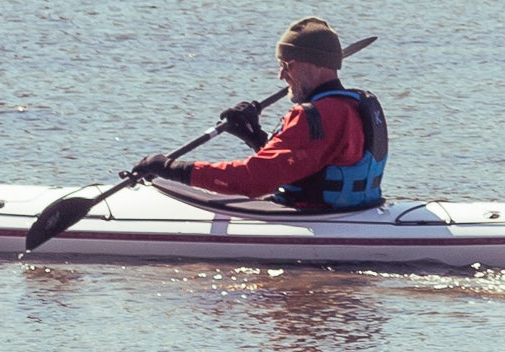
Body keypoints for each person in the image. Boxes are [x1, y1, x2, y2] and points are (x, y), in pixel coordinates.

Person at [144, 19, 385, 212]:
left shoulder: (313, 116)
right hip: (357, 210)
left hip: (316, 214)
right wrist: (254, 136)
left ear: (316, 65)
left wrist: (170, 168)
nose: (282, 75)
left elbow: (252, 181)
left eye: (287, 64)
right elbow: (307, 164)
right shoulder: (357, 104)